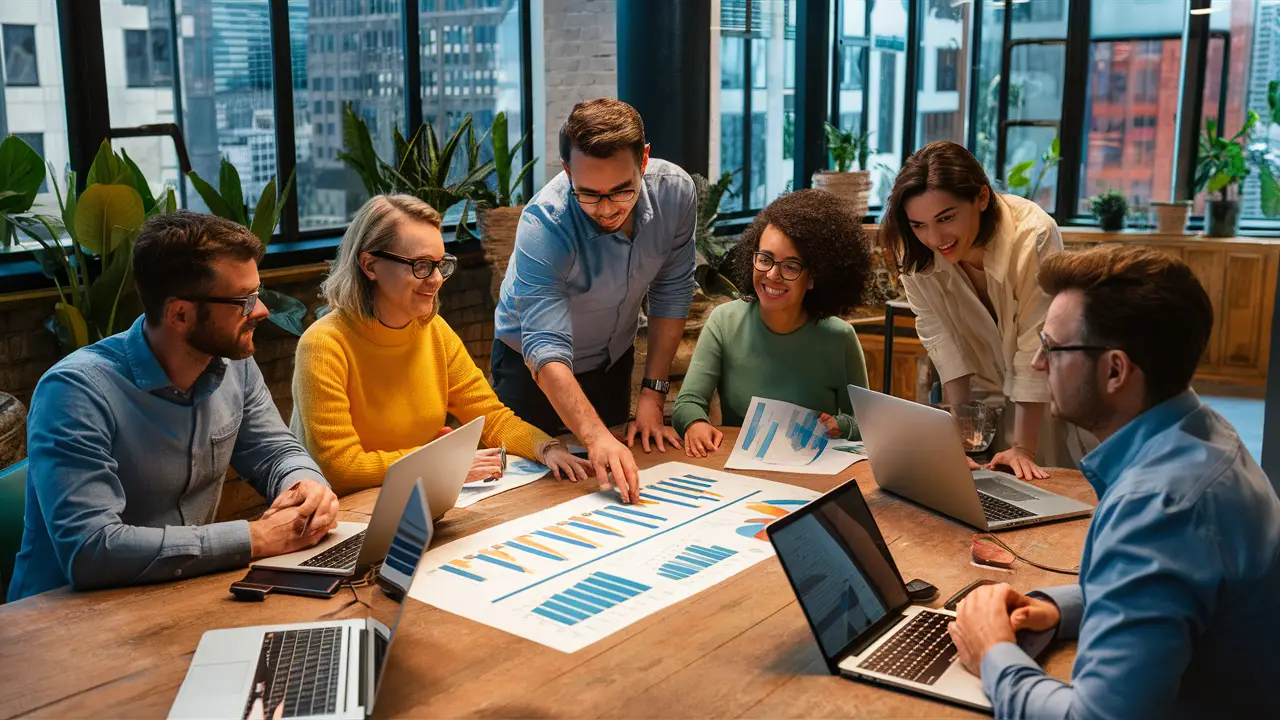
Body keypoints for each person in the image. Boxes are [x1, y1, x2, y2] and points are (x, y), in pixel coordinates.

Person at [948, 245, 1280, 718]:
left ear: (1115, 370)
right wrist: (1058, 608)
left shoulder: (1160, 507)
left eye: (1053, 347)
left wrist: (993, 654)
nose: (1040, 364)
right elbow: (1175, 587)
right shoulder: (1207, 435)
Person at [8, 212, 339, 602]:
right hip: (60, 624)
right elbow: (92, 551)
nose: (262, 310)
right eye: (244, 301)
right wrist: (255, 538)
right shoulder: (75, 392)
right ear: (180, 314)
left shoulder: (234, 363)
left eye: (258, 292)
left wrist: (305, 486)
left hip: (176, 595)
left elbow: (276, 452)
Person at [291, 195, 591, 496]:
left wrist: (546, 448)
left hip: (412, 499)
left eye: (440, 265)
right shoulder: (323, 345)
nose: (435, 279)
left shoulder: (434, 331)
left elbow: (491, 417)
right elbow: (339, 467)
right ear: (370, 265)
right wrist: (437, 465)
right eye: (421, 265)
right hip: (342, 517)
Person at [491, 98, 698, 502]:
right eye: (588, 194)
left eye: (622, 191)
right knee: (530, 497)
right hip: (531, 369)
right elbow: (544, 347)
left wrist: (653, 396)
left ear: (644, 161)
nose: (606, 210)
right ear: (568, 171)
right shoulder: (543, 222)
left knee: (610, 484)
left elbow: (672, 291)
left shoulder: (676, 193)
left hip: (610, 358)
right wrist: (595, 435)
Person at [881, 141, 1091, 479]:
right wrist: (959, 435)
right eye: (919, 225)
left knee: (1048, 492)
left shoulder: (1033, 235)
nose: (935, 238)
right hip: (985, 402)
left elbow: (1035, 344)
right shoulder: (913, 251)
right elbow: (941, 338)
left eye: (945, 218)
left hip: (1049, 398)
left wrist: (1023, 447)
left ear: (981, 198)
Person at [672, 189, 871, 457]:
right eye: (764, 259)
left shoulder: (840, 338)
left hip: (815, 475)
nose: (772, 275)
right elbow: (688, 402)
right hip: (740, 469)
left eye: (790, 266)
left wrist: (841, 426)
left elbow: (867, 423)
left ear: (813, 278)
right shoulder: (724, 321)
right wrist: (695, 423)